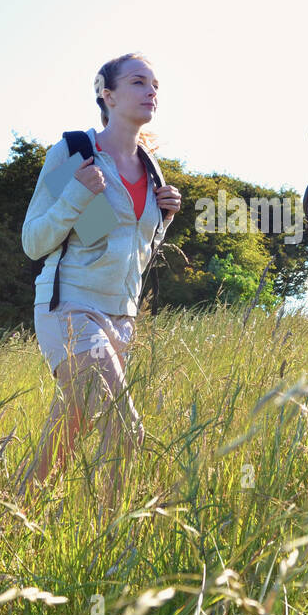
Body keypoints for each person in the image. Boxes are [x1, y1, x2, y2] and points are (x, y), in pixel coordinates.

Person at [19, 53, 181, 505]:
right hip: (69, 309)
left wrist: (162, 220)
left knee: (61, 442)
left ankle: (0, 525)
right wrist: (76, 192)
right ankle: (112, 551)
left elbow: (131, 258)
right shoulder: (74, 151)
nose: (151, 91)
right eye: (137, 82)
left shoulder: (152, 170)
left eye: (155, 84)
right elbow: (33, 241)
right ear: (106, 95)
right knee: (126, 431)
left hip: (120, 320)